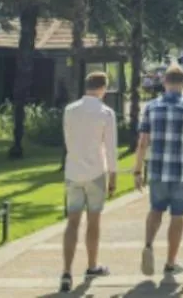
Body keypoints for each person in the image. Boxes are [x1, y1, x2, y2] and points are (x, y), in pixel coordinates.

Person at [134, 65, 183, 278]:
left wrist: (137, 171)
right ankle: (170, 261)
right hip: (181, 171)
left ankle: (148, 244)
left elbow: (142, 142)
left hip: (156, 170)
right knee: (177, 216)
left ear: (165, 83)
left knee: (155, 209)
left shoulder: (151, 107)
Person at [59, 71, 119, 292]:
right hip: (95, 171)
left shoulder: (70, 110)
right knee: (94, 221)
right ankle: (92, 264)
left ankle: (66, 271)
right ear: (103, 88)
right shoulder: (106, 113)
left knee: (72, 222)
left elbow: (68, 139)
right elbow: (110, 147)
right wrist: (113, 175)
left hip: (73, 170)